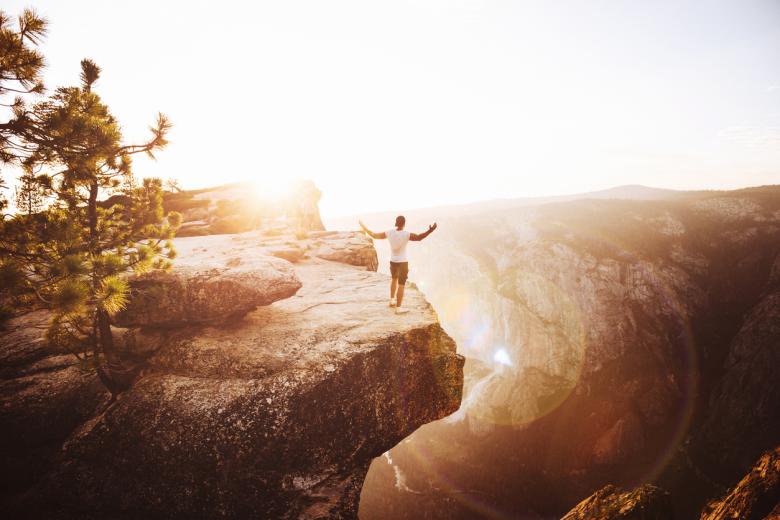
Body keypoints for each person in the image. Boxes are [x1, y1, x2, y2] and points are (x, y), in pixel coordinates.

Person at [359, 216, 437, 314]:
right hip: (403, 262)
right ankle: (398, 308)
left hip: (393, 261)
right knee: (401, 284)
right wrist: (430, 231)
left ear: (396, 223)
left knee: (394, 279)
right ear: (404, 224)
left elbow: (374, 235)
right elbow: (419, 237)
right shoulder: (406, 234)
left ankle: (392, 300)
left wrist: (364, 228)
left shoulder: (389, 232)